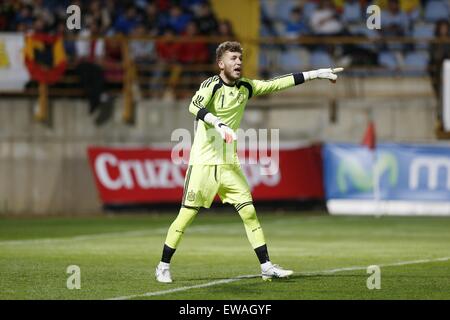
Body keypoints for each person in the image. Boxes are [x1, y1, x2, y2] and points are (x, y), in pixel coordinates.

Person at [155, 41, 344, 283]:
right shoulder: (211, 85)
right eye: (233, 59)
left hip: (229, 165)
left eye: (240, 59)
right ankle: (163, 266)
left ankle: (266, 266)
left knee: (249, 213)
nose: (238, 63)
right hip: (203, 164)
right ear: (221, 64)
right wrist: (217, 123)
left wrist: (315, 74)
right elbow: (194, 105)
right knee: (186, 217)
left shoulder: (246, 87)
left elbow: (276, 83)